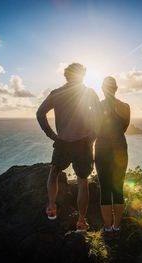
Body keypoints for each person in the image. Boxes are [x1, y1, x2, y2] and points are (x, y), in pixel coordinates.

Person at [36, 63, 100, 232]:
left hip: (63, 142)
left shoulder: (57, 93)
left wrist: (51, 135)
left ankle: (51, 206)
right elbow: (99, 116)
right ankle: (81, 221)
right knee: (82, 181)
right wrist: (92, 135)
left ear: (66, 75)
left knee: (54, 172)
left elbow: (40, 113)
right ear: (82, 75)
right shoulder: (89, 93)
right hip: (83, 143)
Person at [95, 76, 130, 236]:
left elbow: (93, 129)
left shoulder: (97, 108)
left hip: (102, 149)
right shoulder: (125, 107)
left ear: (102, 89)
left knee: (105, 189)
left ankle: (107, 227)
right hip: (120, 150)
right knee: (117, 189)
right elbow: (124, 127)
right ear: (116, 88)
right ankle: (117, 226)